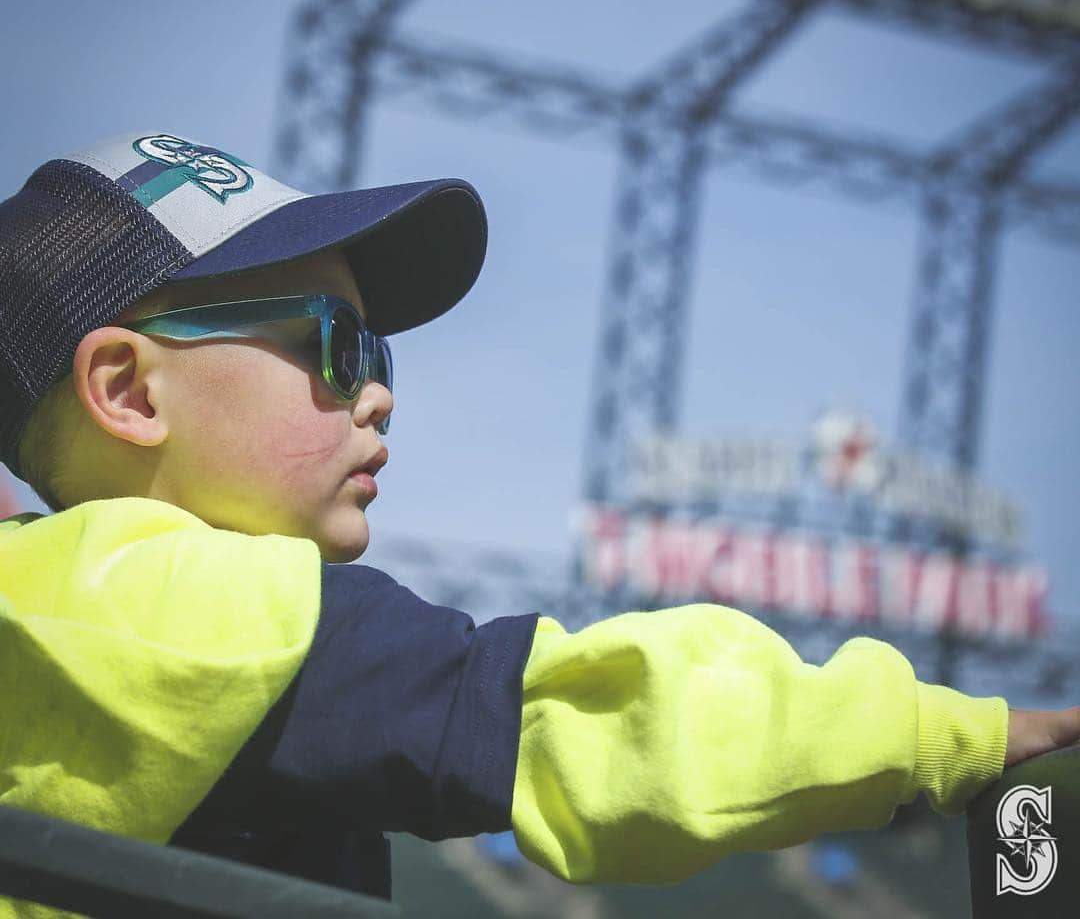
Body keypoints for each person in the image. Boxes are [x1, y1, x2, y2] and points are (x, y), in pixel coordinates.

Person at [0, 131, 1077, 915]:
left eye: (379, 358)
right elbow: (592, 720)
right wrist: (959, 733)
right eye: (334, 343)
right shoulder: (207, 616)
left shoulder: (49, 607)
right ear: (129, 393)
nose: (377, 395)